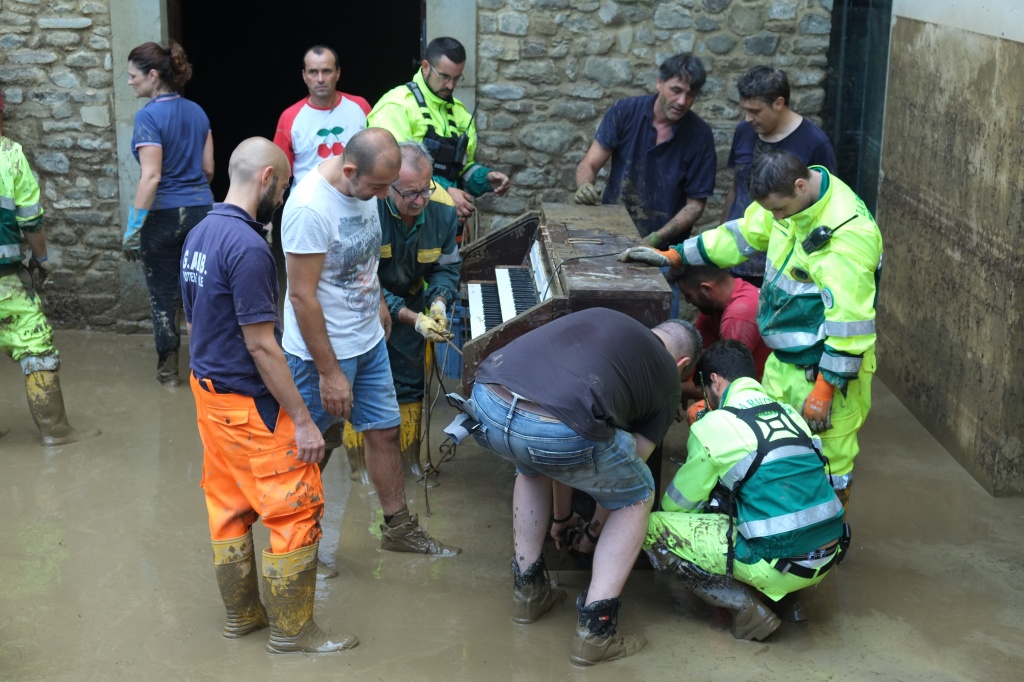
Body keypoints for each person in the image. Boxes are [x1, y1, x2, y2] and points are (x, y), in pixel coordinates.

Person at [619, 149, 883, 508]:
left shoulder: (847, 237)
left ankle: (822, 540)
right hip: (784, 363)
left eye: (778, 210)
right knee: (770, 447)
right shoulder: (789, 202)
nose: (775, 218)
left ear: (801, 185)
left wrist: (824, 389)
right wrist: (677, 255)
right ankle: (773, 522)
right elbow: (741, 235)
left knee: (828, 462)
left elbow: (851, 327)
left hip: (828, 374)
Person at [180, 137, 356, 654]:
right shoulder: (250, 248)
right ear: (266, 180)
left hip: (209, 396)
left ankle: (243, 617)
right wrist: (301, 420)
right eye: (281, 183)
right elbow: (262, 345)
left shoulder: (199, 232)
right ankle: (293, 631)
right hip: (251, 404)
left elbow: (195, 319)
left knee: (228, 503)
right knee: (295, 509)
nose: (283, 192)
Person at [464, 308, 702, 666]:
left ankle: (529, 594)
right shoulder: (667, 377)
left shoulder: (607, 319)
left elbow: (563, 455)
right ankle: (596, 633)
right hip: (553, 426)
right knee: (637, 494)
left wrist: (562, 517)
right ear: (683, 363)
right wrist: (592, 531)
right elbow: (620, 476)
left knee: (531, 467)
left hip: (485, 402)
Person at [281, 127, 459, 557]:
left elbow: (364, 261)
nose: (384, 198)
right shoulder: (309, 208)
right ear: (349, 170)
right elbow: (301, 297)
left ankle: (397, 528)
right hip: (321, 354)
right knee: (313, 445)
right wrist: (329, 373)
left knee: (385, 430)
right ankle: (296, 545)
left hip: (368, 340)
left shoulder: (366, 194)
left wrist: (380, 302)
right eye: (380, 187)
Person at [645, 340, 846, 640]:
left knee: (651, 527)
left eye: (703, 388)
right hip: (828, 554)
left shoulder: (717, 424)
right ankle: (791, 604)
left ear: (715, 380)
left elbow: (678, 505)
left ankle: (747, 610)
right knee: (768, 503)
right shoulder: (789, 413)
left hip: (777, 564)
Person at [341, 141, 460, 480]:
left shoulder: (443, 208)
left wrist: (437, 303)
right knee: (357, 386)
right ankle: (359, 469)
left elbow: (447, 267)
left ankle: (409, 460)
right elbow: (359, 280)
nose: (419, 201)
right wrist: (410, 317)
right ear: (389, 184)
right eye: (409, 193)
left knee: (410, 384)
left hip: (412, 303)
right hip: (358, 307)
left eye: (425, 190)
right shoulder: (364, 209)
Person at [1, 126, 99, 445]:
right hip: (4, 279)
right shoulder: (9, 155)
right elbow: (30, 219)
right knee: (34, 341)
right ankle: (55, 430)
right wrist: (41, 258)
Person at [124, 41, 214, 387]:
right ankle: (207, 371)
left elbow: (151, 176)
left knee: (164, 296)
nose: (130, 82)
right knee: (202, 292)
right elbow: (208, 169)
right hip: (202, 212)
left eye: (133, 76)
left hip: (162, 216)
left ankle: (168, 374)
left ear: (152, 75)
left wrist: (134, 227)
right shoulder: (198, 112)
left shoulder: (147, 116)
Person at [574, 53, 716, 249]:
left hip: (664, 246)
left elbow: (695, 205)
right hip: (610, 232)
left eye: (690, 95)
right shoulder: (624, 111)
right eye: (676, 90)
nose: (682, 101)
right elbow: (589, 164)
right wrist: (583, 185)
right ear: (659, 83)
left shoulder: (700, 135)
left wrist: (656, 238)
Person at [368, 36, 510, 226]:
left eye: (456, 78)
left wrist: (485, 179)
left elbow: (461, 171)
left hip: (446, 227)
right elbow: (393, 172)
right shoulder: (395, 106)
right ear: (426, 67)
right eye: (444, 77)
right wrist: (445, 194)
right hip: (400, 223)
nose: (451, 85)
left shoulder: (462, 114)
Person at [721, 66, 837, 287]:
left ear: (779, 103)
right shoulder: (744, 131)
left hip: (782, 265)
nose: (748, 118)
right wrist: (723, 233)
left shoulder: (815, 143)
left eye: (755, 111)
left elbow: (824, 208)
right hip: (736, 259)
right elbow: (735, 189)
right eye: (745, 110)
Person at [674, 265, 769, 414]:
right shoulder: (714, 305)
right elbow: (697, 355)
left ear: (706, 290)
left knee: (695, 414)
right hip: (736, 379)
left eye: (688, 295)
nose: (687, 301)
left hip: (758, 395)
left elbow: (726, 385)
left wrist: (673, 392)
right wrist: (681, 381)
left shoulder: (739, 315)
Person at [273, 45, 371, 186]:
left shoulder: (360, 106)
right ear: (304, 75)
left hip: (355, 200)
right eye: (313, 72)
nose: (320, 79)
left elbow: (377, 157)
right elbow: (279, 173)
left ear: (338, 73)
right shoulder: (289, 117)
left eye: (326, 71)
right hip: (307, 202)